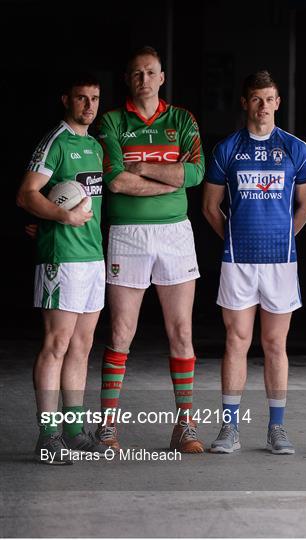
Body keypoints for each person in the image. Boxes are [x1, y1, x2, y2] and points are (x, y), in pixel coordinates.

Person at [95, 46, 205, 452]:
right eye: (136, 73)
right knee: (122, 331)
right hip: (127, 233)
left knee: (182, 331)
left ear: (162, 77)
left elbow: (195, 172)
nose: (144, 79)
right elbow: (115, 181)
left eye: (151, 72)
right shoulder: (111, 120)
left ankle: (185, 426)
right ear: (128, 79)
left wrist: (141, 167)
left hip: (175, 233)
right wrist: (168, 178)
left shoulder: (181, 119)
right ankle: (107, 426)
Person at [202, 70, 306, 454]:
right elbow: (210, 206)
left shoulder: (296, 149)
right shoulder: (227, 149)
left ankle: (277, 429)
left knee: (274, 343)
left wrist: (282, 240)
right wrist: (235, 240)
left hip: (281, 263)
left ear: (278, 102)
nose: (263, 106)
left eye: (269, 99)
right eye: (256, 99)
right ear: (245, 102)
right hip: (238, 262)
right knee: (235, 341)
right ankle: (229, 430)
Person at [16, 73, 108, 464]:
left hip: (93, 258)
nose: (89, 105)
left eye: (95, 99)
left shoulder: (95, 146)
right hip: (62, 258)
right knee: (56, 344)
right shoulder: (56, 141)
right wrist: (60, 217)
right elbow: (26, 194)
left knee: (82, 346)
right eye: (81, 98)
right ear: (66, 100)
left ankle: (73, 430)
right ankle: (48, 434)